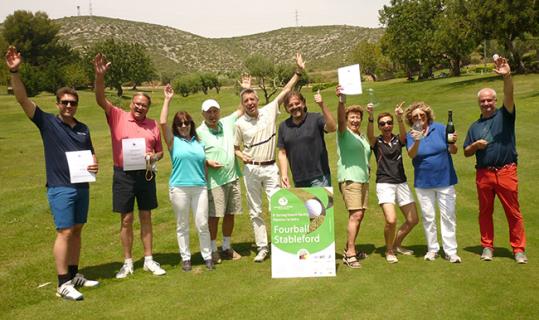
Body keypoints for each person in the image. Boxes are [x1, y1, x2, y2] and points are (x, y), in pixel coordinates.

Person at [6, 46, 99, 300]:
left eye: (73, 102)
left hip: (82, 186)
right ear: (58, 104)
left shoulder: (83, 128)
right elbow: (23, 100)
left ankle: (74, 274)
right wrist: (15, 71)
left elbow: (91, 153)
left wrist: (94, 164)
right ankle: (62, 283)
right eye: (65, 102)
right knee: (65, 232)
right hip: (60, 186)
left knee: (78, 229)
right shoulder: (47, 122)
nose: (69, 106)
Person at [93, 53, 166, 278]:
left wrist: (154, 157)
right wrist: (99, 76)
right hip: (123, 174)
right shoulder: (117, 115)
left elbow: (161, 152)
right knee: (126, 219)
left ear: (148, 108)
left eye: (144, 105)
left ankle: (149, 259)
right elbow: (99, 98)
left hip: (145, 174)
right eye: (137, 104)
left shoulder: (152, 125)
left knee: (146, 216)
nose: (139, 108)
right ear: (131, 104)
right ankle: (127, 262)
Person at [234, 53, 305, 262]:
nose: (250, 103)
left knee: (279, 205)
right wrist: (240, 155)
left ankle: (283, 243)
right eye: (245, 100)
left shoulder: (269, 110)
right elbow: (234, 146)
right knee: (255, 210)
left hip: (271, 167)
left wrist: (298, 72)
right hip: (251, 170)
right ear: (243, 104)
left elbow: (284, 91)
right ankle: (262, 247)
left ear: (257, 100)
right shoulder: (239, 124)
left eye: (252, 99)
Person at [463, 56, 527, 264]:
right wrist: (475, 146)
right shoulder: (475, 126)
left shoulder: (505, 115)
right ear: (479, 104)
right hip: (484, 173)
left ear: (495, 101)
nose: (486, 104)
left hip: (506, 171)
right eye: (483, 101)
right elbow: (465, 151)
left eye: (490, 100)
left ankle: (518, 249)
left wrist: (507, 75)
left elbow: (509, 92)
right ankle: (487, 246)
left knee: (513, 212)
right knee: (485, 212)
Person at [160, 84, 215, 271]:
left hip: (199, 187)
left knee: (202, 223)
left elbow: (203, 163)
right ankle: (186, 258)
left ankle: (207, 256)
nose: (184, 126)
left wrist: (206, 179)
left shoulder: (199, 142)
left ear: (191, 124)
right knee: (182, 224)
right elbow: (162, 123)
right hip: (179, 188)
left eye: (186, 123)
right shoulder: (173, 142)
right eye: (180, 124)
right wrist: (167, 100)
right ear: (176, 127)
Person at [196, 76, 249, 264]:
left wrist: (244, 89)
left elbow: (241, 109)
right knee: (214, 216)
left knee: (230, 213)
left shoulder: (226, 122)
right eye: (209, 112)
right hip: (214, 181)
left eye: (215, 111)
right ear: (203, 114)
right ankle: (212, 248)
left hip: (232, 177)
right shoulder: (199, 132)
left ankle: (226, 246)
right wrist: (207, 161)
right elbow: (194, 155)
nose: (212, 115)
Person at [405, 102, 461, 263]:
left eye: (422, 115)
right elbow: (411, 155)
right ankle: (432, 249)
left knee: (448, 216)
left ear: (427, 115)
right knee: (428, 217)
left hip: (445, 179)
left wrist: (453, 142)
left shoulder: (441, 128)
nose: (419, 118)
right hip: (423, 183)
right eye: (415, 116)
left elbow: (453, 151)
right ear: (411, 119)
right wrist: (417, 140)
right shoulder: (411, 134)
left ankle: (450, 251)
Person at [366, 102, 419, 264]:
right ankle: (389, 250)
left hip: (401, 183)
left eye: (389, 123)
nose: (386, 126)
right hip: (384, 184)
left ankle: (396, 245)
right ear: (379, 126)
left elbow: (405, 137)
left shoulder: (398, 139)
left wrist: (399, 117)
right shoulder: (376, 142)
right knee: (391, 220)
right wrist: (370, 117)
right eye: (382, 124)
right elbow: (369, 136)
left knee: (413, 220)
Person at [335, 85, 371, 269]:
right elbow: (340, 120)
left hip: (363, 179)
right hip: (350, 178)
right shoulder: (344, 133)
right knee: (355, 214)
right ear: (348, 119)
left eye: (358, 117)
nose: (355, 120)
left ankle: (351, 249)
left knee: (360, 215)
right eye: (352, 117)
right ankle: (350, 254)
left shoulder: (361, 136)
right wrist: (342, 101)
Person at [277, 89, 336, 188]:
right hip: (298, 180)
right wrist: (284, 175)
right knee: (304, 204)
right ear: (286, 108)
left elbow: (332, 127)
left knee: (321, 204)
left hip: (319, 178)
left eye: (297, 103)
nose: (294, 107)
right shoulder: (283, 126)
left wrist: (322, 105)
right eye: (290, 105)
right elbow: (282, 153)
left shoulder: (315, 118)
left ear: (303, 103)